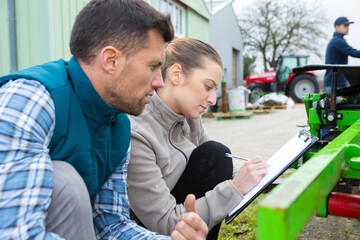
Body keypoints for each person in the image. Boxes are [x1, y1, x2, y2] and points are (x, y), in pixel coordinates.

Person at [0, 1, 208, 239]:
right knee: (65, 182)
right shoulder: (31, 101)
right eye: (153, 67)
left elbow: (110, 225)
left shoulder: (118, 126)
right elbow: (14, 232)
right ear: (111, 60)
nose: (159, 82)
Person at [127, 38, 268, 240]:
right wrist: (235, 188)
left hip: (185, 211)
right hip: (152, 230)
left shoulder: (189, 117)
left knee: (217, 155)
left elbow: (218, 170)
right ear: (176, 75)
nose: (212, 100)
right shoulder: (137, 132)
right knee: (216, 154)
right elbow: (163, 222)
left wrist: (254, 176)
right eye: (207, 86)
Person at [324, 16, 360, 93]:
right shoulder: (337, 41)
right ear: (336, 27)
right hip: (334, 84)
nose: (347, 28)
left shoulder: (337, 40)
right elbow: (353, 52)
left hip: (335, 83)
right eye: (345, 26)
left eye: (348, 26)